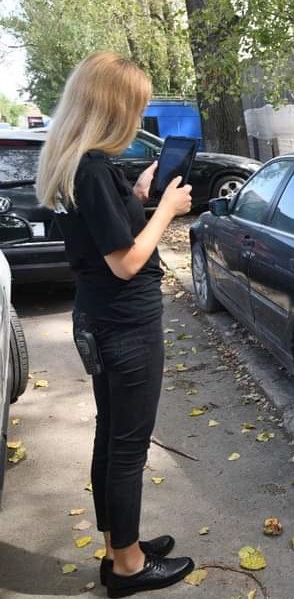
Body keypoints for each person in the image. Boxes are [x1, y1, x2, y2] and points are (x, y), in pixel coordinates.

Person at [36, 52, 195, 598]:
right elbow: (125, 262)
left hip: (100, 317)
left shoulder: (77, 165)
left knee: (112, 438)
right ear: (112, 107)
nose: (138, 117)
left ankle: (118, 548)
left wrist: (139, 196)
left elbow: (104, 233)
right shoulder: (93, 169)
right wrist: (166, 210)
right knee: (127, 447)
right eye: (135, 107)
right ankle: (128, 568)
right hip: (125, 325)